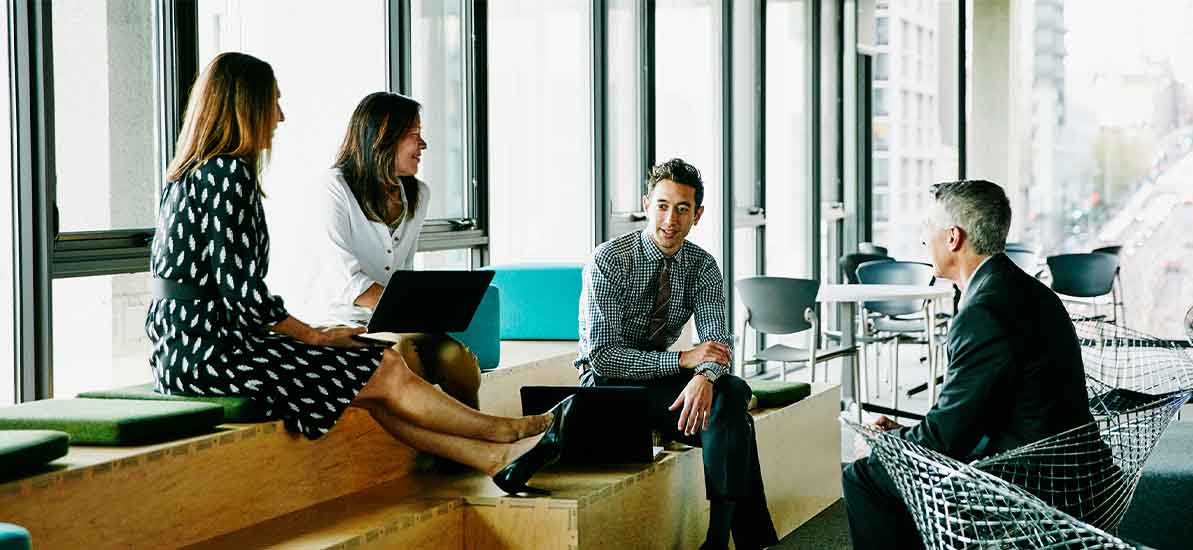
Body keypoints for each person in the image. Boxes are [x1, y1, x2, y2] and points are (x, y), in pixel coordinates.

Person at [144, 52, 571, 495]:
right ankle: (504, 432)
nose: (281, 116)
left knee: (375, 381)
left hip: (187, 347)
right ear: (245, 105)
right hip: (212, 354)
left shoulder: (194, 172)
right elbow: (245, 296)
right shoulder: (228, 174)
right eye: (273, 102)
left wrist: (309, 334)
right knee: (382, 366)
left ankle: (495, 459)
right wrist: (314, 336)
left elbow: (228, 292)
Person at [841, 180, 1095, 549]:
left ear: (953, 238)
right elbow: (978, 410)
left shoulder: (985, 310)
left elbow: (947, 439)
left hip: (1029, 474)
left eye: (928, 228)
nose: (922, 239)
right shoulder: (1018, 289)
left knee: (864, 477)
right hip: (1056, 458)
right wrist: (903, 434)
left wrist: (887, 446)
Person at [575, 158, 778, 550]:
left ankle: (718, 540)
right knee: (736, 416)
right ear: (646, 204)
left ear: (697, 215)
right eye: (663, 205)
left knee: (730, 393)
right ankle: (741, 539)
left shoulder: (702, 266)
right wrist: (684, 361)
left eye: (683, 209)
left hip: (659, 387)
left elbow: (719, 342)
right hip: (608, 391)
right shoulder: (609, 260)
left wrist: (704, 376)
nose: (671, 218)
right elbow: (603, 358)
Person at [300, 91, 480, 409]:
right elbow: (347, 282)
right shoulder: (334, 189)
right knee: (405, 353)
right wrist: (416, 312)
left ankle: (466, 450)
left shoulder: (418, 196)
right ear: (382, 138)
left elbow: (403, 272)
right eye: (414, 136)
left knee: (458, 360)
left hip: (397, 322)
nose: (422, 145)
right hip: (342, 325)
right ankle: (427, 453)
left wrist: (424, 311)